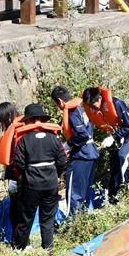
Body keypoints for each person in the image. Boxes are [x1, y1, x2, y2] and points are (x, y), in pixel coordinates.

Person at [12, 103, 67, 250]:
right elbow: (62, 161)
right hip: (51, 183)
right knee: (47, 219)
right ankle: (48, 248)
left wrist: (27, 174)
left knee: (26, 218)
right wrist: (55, 174)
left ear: (29, 120)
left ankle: (20, 248)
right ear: (42, 119)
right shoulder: (54, 137)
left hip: (31, 184)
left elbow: (18, 163)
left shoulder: (23, 139)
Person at [82, 86, 129, 202]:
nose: (92, 108)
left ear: (100, 98)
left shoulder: (117, 104)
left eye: (93, 105)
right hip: (118, 136)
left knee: (122, 157)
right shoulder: (93, 107)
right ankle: (112, 196)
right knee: (114, 162)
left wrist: (113, 137)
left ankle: (122, 191)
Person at [51, 85, 98, 215]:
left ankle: (74, 221)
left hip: (81, 156)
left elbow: (83, 135)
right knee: (85, 191)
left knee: (74, 192)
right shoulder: (81, 108)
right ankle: (84, 219)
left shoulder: (72, 112)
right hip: (91, 153)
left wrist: (67, 145)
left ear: (60, 101)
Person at [0, 102, 23, 244]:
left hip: (18, 177)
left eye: (1, 119)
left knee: (16, 210)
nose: (0, 123)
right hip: (23, 175)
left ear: (8, 117)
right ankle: (20, 240)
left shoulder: (15, 132)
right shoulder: (20, 127)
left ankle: (19, 241)